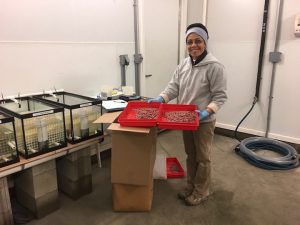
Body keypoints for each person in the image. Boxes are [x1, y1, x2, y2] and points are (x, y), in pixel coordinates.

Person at [148, 23, 227, 206]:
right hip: (186, 118)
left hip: (204, 121)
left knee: (203, 157)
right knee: (190, 154)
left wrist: (206, 112)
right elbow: (174, 86)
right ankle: (191, 185)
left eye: (198, 41)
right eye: (189, 42)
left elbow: (220, 96)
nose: (193, 45)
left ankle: (202, 191)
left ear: (205, 42)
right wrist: (162, 98)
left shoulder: (215, 67)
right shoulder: (184, 64)